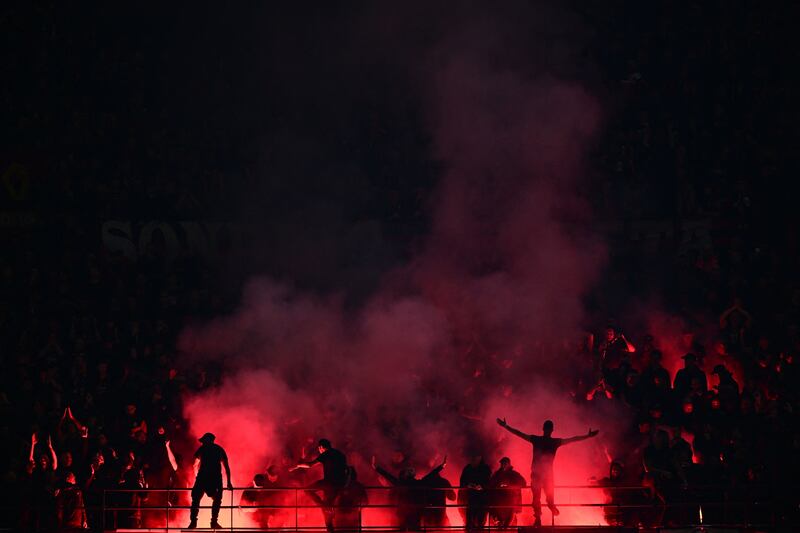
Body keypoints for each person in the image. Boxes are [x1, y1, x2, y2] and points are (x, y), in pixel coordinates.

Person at [497, 418, 599, 527]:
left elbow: (519, 434)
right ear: (552, 430)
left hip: (541, 473)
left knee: (538, 497)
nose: (547, 431)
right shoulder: (553, 442)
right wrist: (587, 436)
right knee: (543, 497)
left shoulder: (539, 440)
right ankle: (546, 510)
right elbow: (573, 439)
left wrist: (506, 426)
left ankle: (541, 514)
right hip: (543, 474)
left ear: (544, 429)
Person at [372, 454, 448, 531]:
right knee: (415, 529)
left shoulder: (400, 483)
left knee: (401, 529)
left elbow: (389, 476)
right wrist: (441, 466)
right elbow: (430, 475)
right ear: (414, 474)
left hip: (402, 513)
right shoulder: (419, 483)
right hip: (414, 514)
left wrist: (376, 468)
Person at [290, 439, 348, 533]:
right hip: (339, 485)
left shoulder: (326, 454)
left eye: (319, 449)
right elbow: (346, 470)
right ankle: (326, 511)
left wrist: (298, 465)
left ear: (321, 447)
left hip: (328, 483)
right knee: (330, 510)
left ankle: (323, 506)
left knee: (308, 490)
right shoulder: (340, 454)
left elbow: (310, 465)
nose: (319, 451)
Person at [188, 432, 232, 530]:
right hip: (214, 479)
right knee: (216, 499)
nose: (202, 443)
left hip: (203, 478)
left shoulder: (202, 449)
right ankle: (213, 522)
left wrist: (197, 477)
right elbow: (226, 467)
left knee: (196, 499)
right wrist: (228, 482)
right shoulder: (219, 450)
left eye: (204, 441)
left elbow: (194, 464)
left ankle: (193, 523)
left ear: (208, 440)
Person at [488, 457, 526, 529]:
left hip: (511, 501)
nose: (503, 465)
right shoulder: (497, 475)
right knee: (499, 522)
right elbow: (491, 484)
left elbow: (523, 483)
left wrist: (510, 486)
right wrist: (498, 486)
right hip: (499, 502)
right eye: (502, 463)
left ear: (509, 464)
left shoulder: (514, 474)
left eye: (505, 463)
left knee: (511, 521)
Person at [333, 466, 368, 532]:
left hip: (342, 517)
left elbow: (365, 502)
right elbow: (365, 502)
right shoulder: (359, 486)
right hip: (351, 518)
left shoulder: (339, 485)